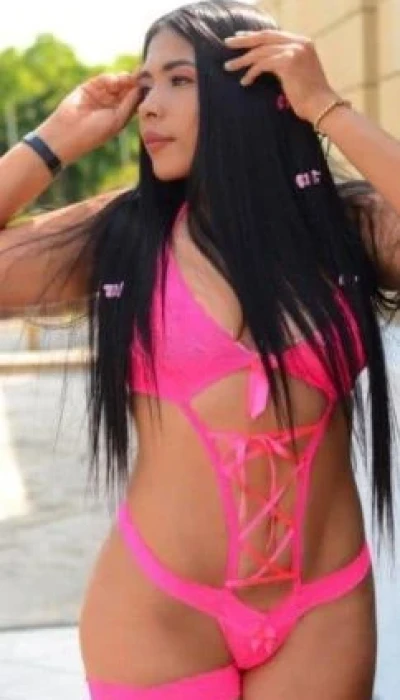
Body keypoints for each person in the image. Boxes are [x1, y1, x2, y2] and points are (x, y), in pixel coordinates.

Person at [0, 1, 399, 698]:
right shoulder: (123, 234)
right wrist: (55, 139)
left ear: (258, 91)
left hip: (323, 610)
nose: (150, 105)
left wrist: (327, 107)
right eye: (146, 84)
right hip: (159, 611)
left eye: (179, 80)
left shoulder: (345, 228)